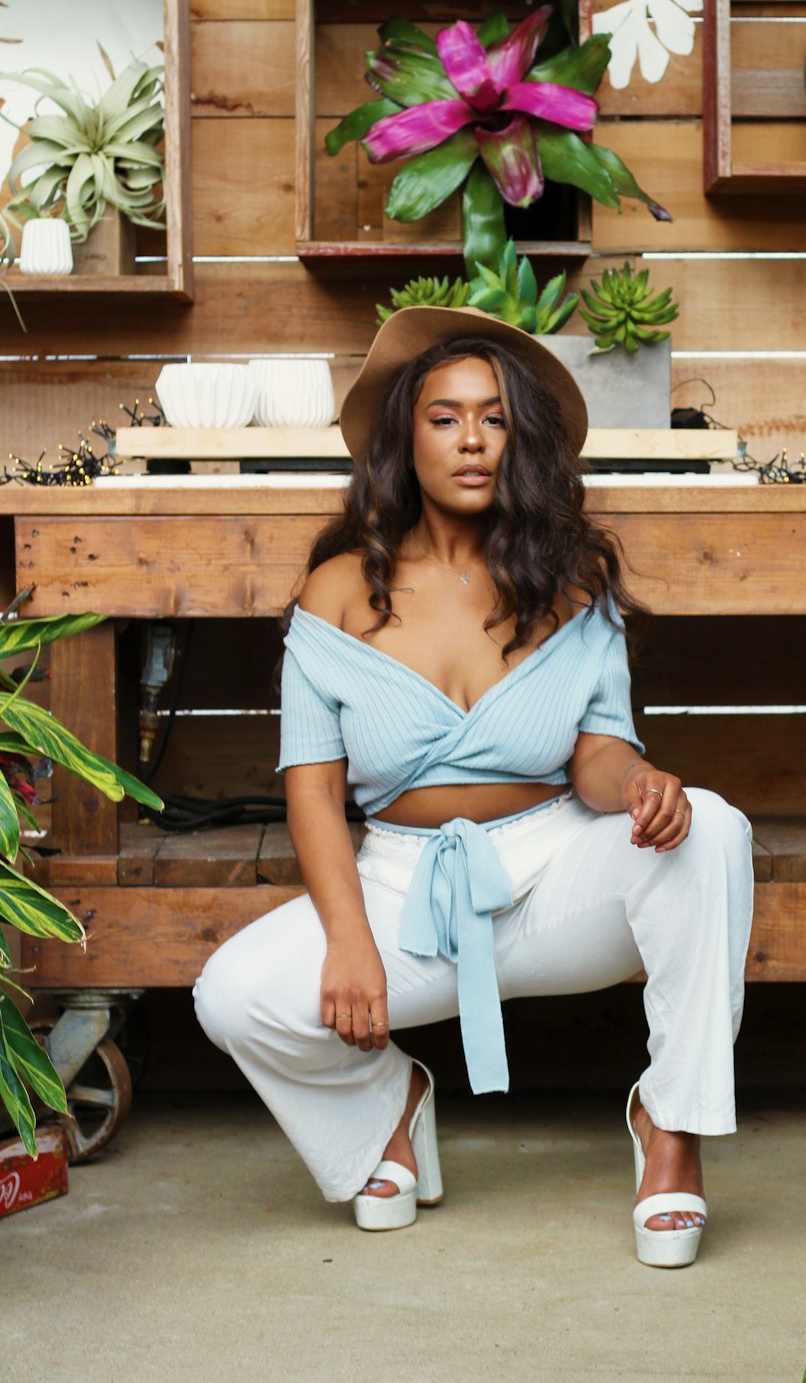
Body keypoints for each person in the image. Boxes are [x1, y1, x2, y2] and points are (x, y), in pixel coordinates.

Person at [194, 306, 753, 1268]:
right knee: (230, 994)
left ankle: (673, 1124)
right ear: (405, 435)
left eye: (493, 418)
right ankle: (388, 1111)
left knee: (711, 824)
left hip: (555, 873)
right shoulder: (335, 590)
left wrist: (645, 782)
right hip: (401, 889)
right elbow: (316, 794)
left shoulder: (573, 582)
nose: (472, 441)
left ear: (518, 437)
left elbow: (596, 756)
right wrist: (350, 942)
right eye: (446, 417)